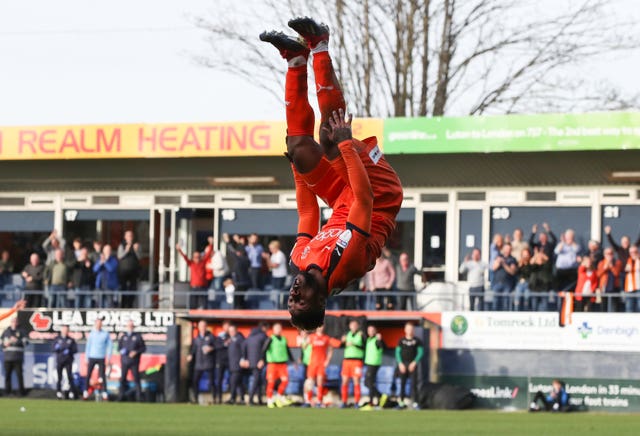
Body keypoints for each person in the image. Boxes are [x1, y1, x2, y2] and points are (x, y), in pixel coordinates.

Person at [261, 18, 403, 330]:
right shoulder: (344, 265)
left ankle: (295, 60)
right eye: (301, 300)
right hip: (380, 195)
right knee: (329, 138)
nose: (294, 293)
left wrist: (298, 170)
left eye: (290, 299)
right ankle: (320, 44)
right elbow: (364, 202)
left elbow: (308, 209)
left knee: (299, 147)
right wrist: (346, 145)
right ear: (321, 301)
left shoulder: (300, 258)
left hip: (344, 199)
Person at [262, 322, 294, 408]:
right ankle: (269, 400)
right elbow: (264, 349)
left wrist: (293, 361)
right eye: (277, 328)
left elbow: (288, 350)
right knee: (271, 382)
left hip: (282, 364)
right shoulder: (270, 339)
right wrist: (262, 360)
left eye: (280, 328)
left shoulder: (284, 339)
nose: (279, 330)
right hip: (273, 364)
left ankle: (278, 397)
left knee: (285, 380)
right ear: (273, 329)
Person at [177, 237, 214, 309]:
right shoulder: (191, 263)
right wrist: (179, 249)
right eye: (195, 257)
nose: (197, 258)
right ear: (193, 257)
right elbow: (185, 257)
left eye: (198, 257)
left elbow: (208, 253)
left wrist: (211, 244)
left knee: (204, 304)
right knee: (193, 304)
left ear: (200, 257)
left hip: (203, 287)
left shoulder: (203, 262)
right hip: (194, 287)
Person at [395, 323, 424, 409]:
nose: (409, 331)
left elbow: (420, 352)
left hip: (413, 365)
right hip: (403, 365)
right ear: (405, 330)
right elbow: (397, 353)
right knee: (402, 384)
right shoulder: (401, 340)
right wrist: (400, 363)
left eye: (411, 329)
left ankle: (415, 403)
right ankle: (401, 403)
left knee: (414, 384)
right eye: (408, 329)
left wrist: (414, 362)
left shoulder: (417, 341)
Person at [302, 324, 333, 408]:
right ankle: (308, 400)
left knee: (320, 382)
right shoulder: (312, 337)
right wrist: (304, 339)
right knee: (310, 382)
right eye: (319, 326)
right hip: (313, 363)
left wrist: (327, 360)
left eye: (322, 326)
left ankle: (319, 401)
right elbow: (304, 346)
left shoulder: (326, 338)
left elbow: (330, 350)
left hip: (321, 363)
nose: (320, 328)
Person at [187, 320, 216, 404]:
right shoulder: (196, 339)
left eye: (204, 326)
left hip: (209, 363)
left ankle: (214, 398)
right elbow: (193, 349)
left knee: (211, 381)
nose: (202, 328)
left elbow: (216, 346)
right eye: (201, 326)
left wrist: (211, 348)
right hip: (199, 364)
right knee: (195, 381)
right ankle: (195, 398)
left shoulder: (211, 337)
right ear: (198, 327)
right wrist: (190, 355)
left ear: (206, 327)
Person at [84, 318, 112, 401]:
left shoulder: (105, 334)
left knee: (102, 376)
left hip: (101, 357)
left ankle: (104, 393)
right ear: (95, 324)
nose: (99, 325)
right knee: (88, 375)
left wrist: (108, 357)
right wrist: (86, 358)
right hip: (92, 356)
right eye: (97, 323)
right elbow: (88, 346)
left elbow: (110, 346)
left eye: (100, 323)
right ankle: (85, 392)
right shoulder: (92, 334)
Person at [117, 320, 147, 402]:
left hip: (134, 362)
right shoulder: (123, 336)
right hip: (125, 361)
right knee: (123, 379)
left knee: (136, 379)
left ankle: (139, 397)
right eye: (128, 325)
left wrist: (136, 352)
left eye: (131, 325)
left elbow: (143, 348)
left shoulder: (138, 336)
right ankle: (121, 397)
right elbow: (119, 348)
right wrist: (125, 352)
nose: (130, 327)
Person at [242, 322, 269, 405]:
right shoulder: (263, 336)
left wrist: (245, 358)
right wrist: (262, 359)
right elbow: (265, 348)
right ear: (264, 328)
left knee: (258, 380)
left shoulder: (250, 335)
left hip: (250, 361)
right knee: (257, 380)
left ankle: (259, 399)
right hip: (258, 361)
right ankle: (250, 399)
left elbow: (244, 346)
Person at [340, 319, 364, 408]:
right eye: (352, 325)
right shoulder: (347, 335)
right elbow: (341, 345)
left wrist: (353, 344)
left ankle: (357, 402)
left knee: (356, 381)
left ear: (357, 326)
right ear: (350, 326)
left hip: (357, 361)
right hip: (347, 360)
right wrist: (342, 342)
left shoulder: (361, 335)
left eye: (355, 325)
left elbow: (364, 346)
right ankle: (344, 401)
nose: (353, 327)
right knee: (344, 381)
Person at [2, 316, 28, 396]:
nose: (14, 323)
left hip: (18, 357)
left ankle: (21, 392)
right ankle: (7, 392)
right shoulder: (6, 331)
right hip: (8, 357)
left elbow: (26, 342)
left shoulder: (22, 331)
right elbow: (2, 343)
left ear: (17, 322)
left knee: (19, 375)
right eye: (13, 321)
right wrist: (5, 343)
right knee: (7, 375)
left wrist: (16, 341)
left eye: (15, 321)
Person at [53, 325, 79, 400]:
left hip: (68, 361)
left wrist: (69, 351)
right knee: (59, 377)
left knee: (69, 377)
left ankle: (71, 392)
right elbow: (53, 348)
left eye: (66, 330)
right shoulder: (57, 339)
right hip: (60, 360)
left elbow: (75, 350)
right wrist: (57, 348)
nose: (65, 331)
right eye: (64, 329)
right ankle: (58, 392)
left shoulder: (71, 340)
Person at [117, 230, 141, 308]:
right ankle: (123, 306)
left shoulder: (136, 245)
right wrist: (126, 251)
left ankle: (130, 305)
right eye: (128, 236)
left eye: (131, 236)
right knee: (123, 289)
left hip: (133, 272)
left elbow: (139, 257)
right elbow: (119, 256)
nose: (130, 237)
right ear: (125, 237)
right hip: (123, 272)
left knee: (132, 289)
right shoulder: (122, 245)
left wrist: (136, 250)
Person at [363, 325, 386, 408]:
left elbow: (383, 347)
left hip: (374, 363)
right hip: (369, 363)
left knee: (369, 382)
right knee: (367, 383)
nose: (370, 332)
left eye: (372, 330)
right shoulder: (369, 339)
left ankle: (371, 402)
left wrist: (380, 340)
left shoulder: (377, 340)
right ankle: (380, 396)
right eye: (369, 330)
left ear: (375, 331)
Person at [490, 243, 518, 311]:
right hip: (497, 283)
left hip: (507, 284)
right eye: (506, 248)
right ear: (503, 249)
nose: (507, 250)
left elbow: (512, 271)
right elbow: (493, 268)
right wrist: (499, 262)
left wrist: (504, 264)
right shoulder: (498, 257)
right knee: (496, 302)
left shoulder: (512, 259)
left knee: (506, 303)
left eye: (509, 249)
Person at [597, 247, 622, 312]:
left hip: (615, 286)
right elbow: (598, 274)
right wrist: (605, 268)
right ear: (604, 255)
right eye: (607, 254)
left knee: (615, 305)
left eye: (611, 253)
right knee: (604, 305)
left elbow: (616, 273)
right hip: (604, 286)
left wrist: (611, 267)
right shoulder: (601, 263)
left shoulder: (617, 262)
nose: (609, 255)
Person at [227, 324, 247, 405]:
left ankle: (232, 398)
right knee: (239, 383)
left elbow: (244, 350)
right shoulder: (231, 340)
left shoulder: (240, 339)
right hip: (232, 365)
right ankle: (242, 399)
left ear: (236, 331)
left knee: (233, 382)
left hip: (237, 365)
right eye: (230, 331)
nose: (231, 333)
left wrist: (243, 359)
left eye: (232, 331)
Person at [214, 320, 231, 404]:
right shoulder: (219, 337)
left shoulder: (232, 336)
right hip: (220, 361)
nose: (227, 328)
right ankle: (219, 398)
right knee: (219, 379)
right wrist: (224, 344)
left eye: (229, 326)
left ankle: (232, 398)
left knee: (233, 379)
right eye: (226, 326)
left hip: (230, 361)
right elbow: (216, 346)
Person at [623, 245, 640, 313]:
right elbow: (625, 270)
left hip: (639, 287)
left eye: (635, 252)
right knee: (629, 307)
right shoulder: (627, 261)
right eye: (631, 252)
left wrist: (637, 260)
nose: (633, 254)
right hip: (629, 288)